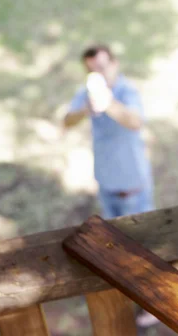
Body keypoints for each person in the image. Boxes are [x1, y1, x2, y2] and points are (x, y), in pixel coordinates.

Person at [64, 45, 154, 218]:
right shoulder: (85, 94)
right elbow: (67, 122)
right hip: (104, 182)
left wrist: (108, 103)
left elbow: (135, 122)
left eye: (101, 68)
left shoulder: (127, 91)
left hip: (131, 186)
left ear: (115, 64)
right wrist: (84, 110)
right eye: (91, 70)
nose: (97, 74)